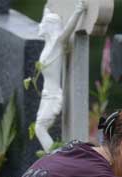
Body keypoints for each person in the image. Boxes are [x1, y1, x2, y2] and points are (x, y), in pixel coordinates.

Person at [34, 0, 87, 152]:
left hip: (53, 95)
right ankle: (54, 157)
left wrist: (77, 12)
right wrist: (48, 5)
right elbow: (46, 12)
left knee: (40, 128)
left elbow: (67, 30)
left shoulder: (57, 43)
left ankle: (54, 158)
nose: (41, 25)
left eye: (45, 23)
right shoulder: (48, 45)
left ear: (51, 27)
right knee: (39, 128)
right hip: (46, 95)